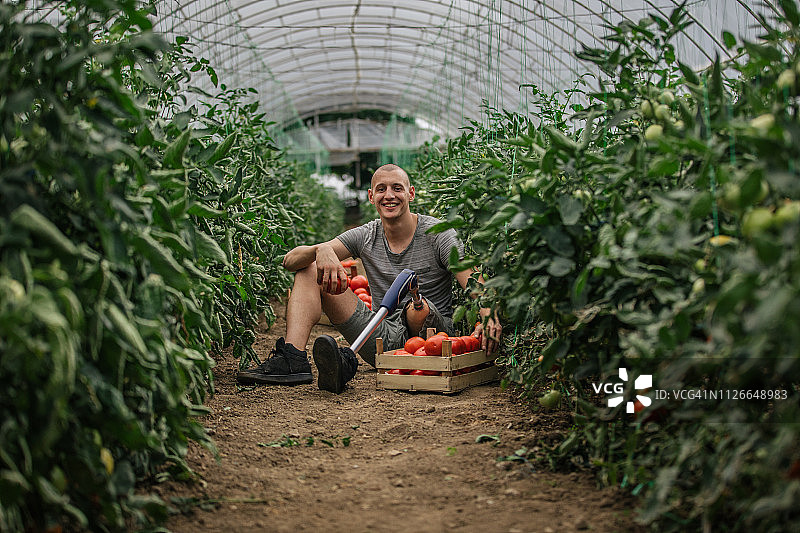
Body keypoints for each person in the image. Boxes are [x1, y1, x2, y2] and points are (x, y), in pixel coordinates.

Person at [237, 164, 502, 392]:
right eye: (381, 189)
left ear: (410, 193)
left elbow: (472, 279)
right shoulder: (366, 235)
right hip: (379, 336)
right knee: (309, 268)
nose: (389, 195)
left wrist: (489, 315)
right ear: (371, 196)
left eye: (397, 188)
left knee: (417, 306)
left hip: (431, 342)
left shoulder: (439, 234)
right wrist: (321, 250)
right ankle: (292, 359)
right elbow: (290, 261)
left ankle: (405, 353)